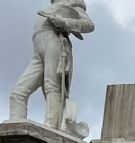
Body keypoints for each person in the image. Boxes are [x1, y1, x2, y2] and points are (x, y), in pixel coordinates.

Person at [9, 0, 94, 129]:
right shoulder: (52, 5)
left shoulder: (73, 2)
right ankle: (15, 127)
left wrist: (64, 22)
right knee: (18, 92)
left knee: (52, 86)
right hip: (39, 47)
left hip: (55, 41)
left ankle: (51, 126)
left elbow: (88, 25)